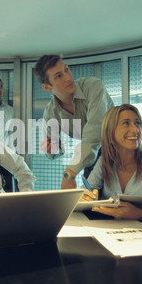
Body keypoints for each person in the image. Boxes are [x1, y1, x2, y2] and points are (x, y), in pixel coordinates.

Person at [34, 55, 114, 190]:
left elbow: (95, 133)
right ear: (47, 87)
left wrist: (70, 172)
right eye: (59, 76)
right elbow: (54, 152)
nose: (68, 77)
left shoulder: (93, 86)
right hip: (92, 158)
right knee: (90, 204)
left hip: (119, 152)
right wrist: (53, 148)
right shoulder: (50, 113)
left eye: (66, 70)